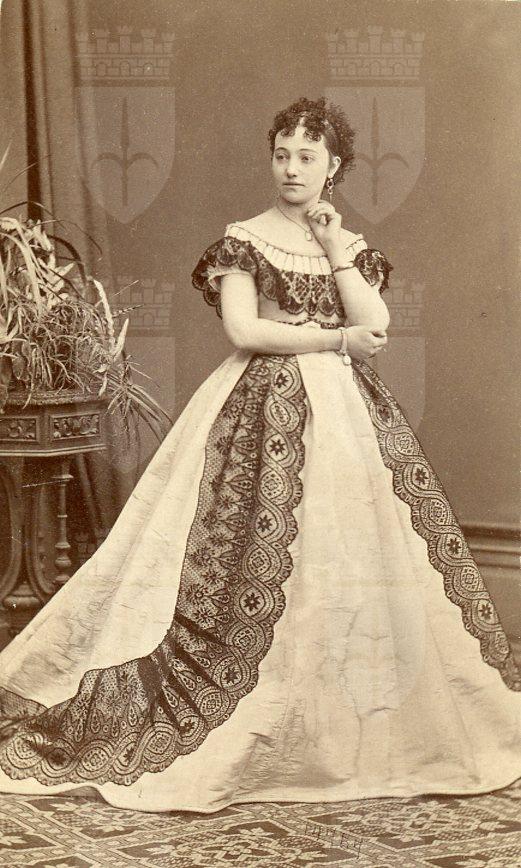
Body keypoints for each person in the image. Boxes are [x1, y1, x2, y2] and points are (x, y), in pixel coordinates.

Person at [0, 96, 519, 815]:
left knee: (348, 555)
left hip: (345, 417)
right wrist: (335, 340)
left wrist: (335, 249)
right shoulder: (242, 241)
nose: (291, 169)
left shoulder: (348, 244)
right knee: (245, 554)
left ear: (334, 167)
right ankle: (259, 716)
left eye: (307, 157)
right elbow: (245, 331)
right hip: (258, 407)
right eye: (281, 154)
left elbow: (376, 323)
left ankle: (337, 727)